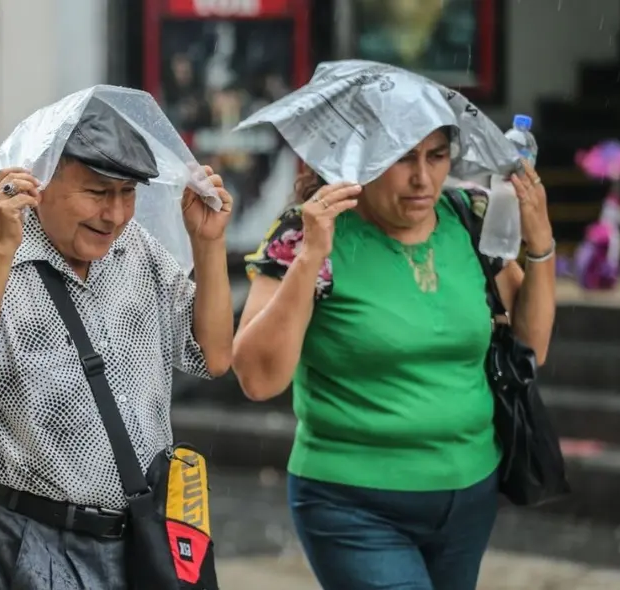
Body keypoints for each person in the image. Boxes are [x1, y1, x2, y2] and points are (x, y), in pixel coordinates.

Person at [0, 96, 234, 588]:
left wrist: (208, 244)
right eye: (97, 192)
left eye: (127, 193)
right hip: (35, 539)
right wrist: (1, 251)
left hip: (141, 537)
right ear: (41, 180)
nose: (115, 214)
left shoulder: (137, 250)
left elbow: (214, 355)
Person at [231, 127, 557, 589]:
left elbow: (531, 347)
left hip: (470, 493)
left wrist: (541, 245)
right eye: (403, 158)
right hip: (352, 502)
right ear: (362, 158)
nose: (422, 178)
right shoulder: (308, 230)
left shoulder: (469, 216)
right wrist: (309, 258)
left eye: (437, 156)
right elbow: (258, 378)